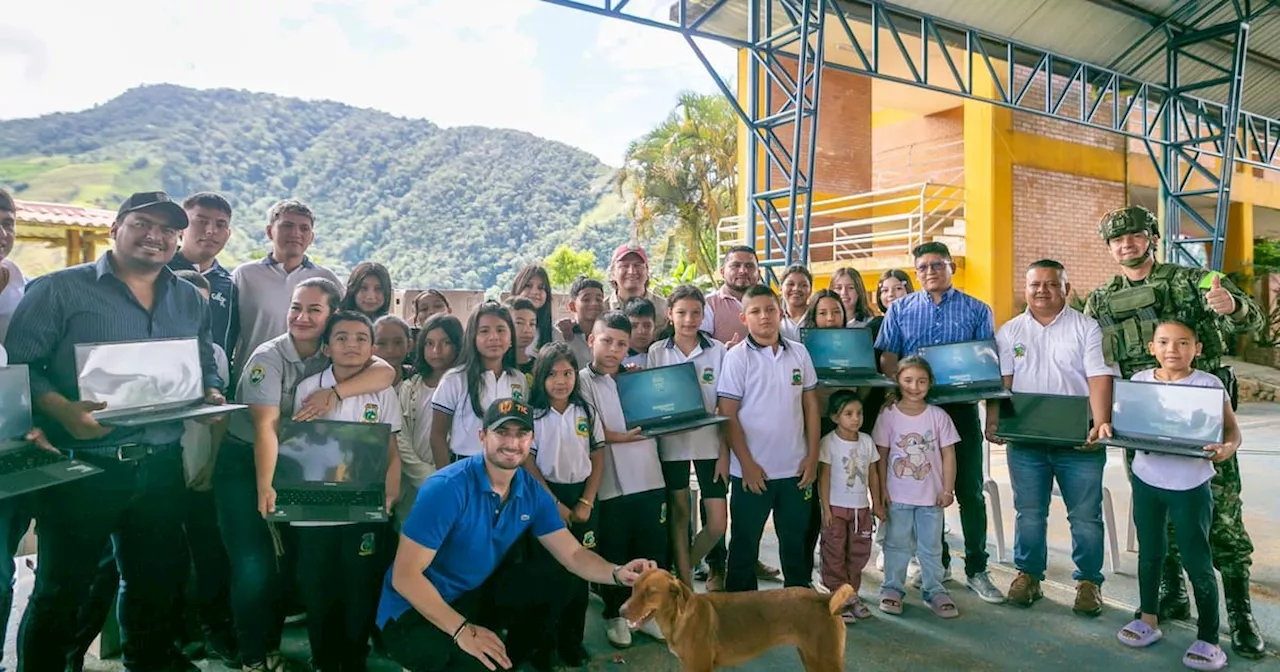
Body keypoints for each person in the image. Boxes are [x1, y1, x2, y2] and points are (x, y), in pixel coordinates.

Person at [7, 191, 224, 671]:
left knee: (154, 584)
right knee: (63, 591)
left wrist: (208, 391)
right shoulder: (60, 289)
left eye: (168, 230)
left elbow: (204, 358)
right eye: (143, 223)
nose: (156, 236)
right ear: (115, 229)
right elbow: (20, 366)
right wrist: (60, 409)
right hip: (82, 468)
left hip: (162, 464)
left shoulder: (188, 297)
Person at [1083, 205, 1264, 658]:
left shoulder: (1192, 280)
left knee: (1220, 520)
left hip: (1200, 419)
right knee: (1156, 518)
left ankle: (1239, 613)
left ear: (1152, 237)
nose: (1127, 244)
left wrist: (1234, 304)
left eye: (1136, 235)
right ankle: (1171, 593)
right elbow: (1093, 363)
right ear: (1109, 248)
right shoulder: (1099, 300)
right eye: (1117, 239)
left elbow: (1254, 320)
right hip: (1141, 423)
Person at [376, 398, 655, 672]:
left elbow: (573, 554)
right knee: (470, 660)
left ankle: (506, 656)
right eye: (501, 432)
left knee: (561, 578)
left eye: (521, 434)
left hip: (470, 595)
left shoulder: (531, 491)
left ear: (531, 439)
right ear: (482, 436)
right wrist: (462, 630)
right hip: (411, 609)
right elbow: (405, 576)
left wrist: (619, 573)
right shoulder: (446, 488)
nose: (512, 443)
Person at [221, 277, 396, 672]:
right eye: (296, 307)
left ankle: (324, 651)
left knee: (299, 567)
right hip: (248, 459)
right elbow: (265, 428)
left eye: (314, 310)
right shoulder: (269, 357)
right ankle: (254, 655)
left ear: (331, 316)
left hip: (304, 465)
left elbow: (384, 373)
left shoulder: (329, 352)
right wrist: (266, 485)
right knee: (255, 565)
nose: (301, 316)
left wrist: (336, 394)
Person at [1101, 320, 1240, 672]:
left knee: (1197, 560)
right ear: (1151, 348)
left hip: (1191, 486)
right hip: (1147, 481)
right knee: (1151, 554)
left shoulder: (1209, 384)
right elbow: (1125, 425)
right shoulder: (1139, 382)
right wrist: (1106, 426)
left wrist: (1226, 449)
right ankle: (1148, 620)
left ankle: (1209, 639)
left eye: (1182, 343)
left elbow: (1231, 432)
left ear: (1198, 349)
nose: (1172, 350)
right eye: (1163, 342)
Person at [874, 241, 1004, 604]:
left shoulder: (977, 309)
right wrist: (897, 394)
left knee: (967, 491)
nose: (930, 272)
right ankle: (939, 564)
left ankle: (978, 569)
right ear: (916, 273)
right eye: (923, 268)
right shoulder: (899, 309)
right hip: (912, 413)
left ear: (952, 268)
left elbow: (986, 360)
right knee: (922, 490)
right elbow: (888, 355)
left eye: (937, 265)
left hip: (959, 411)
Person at [987, 260, 1116, 615]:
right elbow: (1004, 383)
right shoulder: (1009, 332)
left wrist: (1100, 423)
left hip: (1079, 442)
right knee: (1029, 513)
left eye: (1051, 284)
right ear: (1025, 289)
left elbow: (1098, 378)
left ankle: (1089, 582)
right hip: (1026, 442)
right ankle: (1028, 576)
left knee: (1085, 516)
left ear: (1066, 289)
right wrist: (994, 421)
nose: (1042, 290)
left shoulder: (1087, 328)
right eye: (1035, 285)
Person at [291, 310, 403, 672]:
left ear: (372, 348)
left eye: (360, 338)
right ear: (326, 347)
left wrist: (390, 491)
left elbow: (390, 447)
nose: (351, 344)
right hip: (317, 508)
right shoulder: (309, 390)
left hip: (365, 504)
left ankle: (355, 658)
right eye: (341, 337)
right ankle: (324, 657)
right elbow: (301, 447)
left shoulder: (382, 391)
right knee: (318, 584)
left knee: (360, 584)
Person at [717, 284, 819, 593]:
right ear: (744, 317)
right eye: (756, 311)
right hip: (751, 473)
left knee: (795, 543)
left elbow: (811, 407)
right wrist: (746, 464)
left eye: (770, 310)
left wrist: (812, 457)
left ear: (780, 312)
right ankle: (739, 610)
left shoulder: (799, 353)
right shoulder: (737, 358)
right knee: (745, 544)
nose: (765, 317)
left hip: (795, 471)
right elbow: (728, 414)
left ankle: (799, 605)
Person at [578, 312, 669, 648]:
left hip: (649, 476)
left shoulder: (635, 378)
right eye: (606, 341)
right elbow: (591, 430)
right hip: (611, 484)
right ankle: (615, 616)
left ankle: (644, 616)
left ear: (629, 346)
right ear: (592, 341)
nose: (613, 349)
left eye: (621, 344)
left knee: (650, 548)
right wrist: (626, 437)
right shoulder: (581, 381)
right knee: (615, 550)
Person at [696, 247, 778, 587]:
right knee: (716, 494)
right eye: (735, 265)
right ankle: (716, 564)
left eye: (749, 265)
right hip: (718, 414)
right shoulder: (711, 305)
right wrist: (725, 354)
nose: (742, 271)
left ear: (758, 271)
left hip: (756, 417)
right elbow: (699, 344)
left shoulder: (767, 304)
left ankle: (747, 557)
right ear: (723, 269)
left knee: (750, 497)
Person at [520, 342, 604, 668]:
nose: (561, 381)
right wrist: (552, 503)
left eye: (567, 373)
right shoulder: (533, 416)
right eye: (552, 374)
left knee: (579, 573)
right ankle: (544, 646)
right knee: (546, 573)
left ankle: (573, 641)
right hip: (545, 498)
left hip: (581, 497)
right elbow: (528, 463)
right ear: (540, 377)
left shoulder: (586, 411)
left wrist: (586, 501)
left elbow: (598, 455)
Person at [647, 285, 728, 589]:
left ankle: (680, 570)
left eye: (695, 312)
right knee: (679, 517)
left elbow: (725, 403)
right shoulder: (657, 352)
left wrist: (724, 451)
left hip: (710, 443)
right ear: (669, 315)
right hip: (671, 444)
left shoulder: (718, 350)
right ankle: (684, 586)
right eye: (681, 312)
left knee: (718, 522)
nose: (688, 319)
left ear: (704, 315)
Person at [873, 356, 959, 619]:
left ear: (930, 383)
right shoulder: (888, 415)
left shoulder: (938, 417)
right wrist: (880, 492)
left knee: (931, 547)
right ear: (897, 381)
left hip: (931, 499)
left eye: (921, 381)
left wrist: (947, 489)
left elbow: (948, 456)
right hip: (897, 497)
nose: (914, 386)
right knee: (896, 545)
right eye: (908, 380)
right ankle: (892, 589)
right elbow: (881, 456)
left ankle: (935, 590)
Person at [231, 199, 341, 382]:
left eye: (304, 228)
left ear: (311, 237)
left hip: (313, 385)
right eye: (287, 226)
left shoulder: (326, 278)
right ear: (269, 232)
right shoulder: (245, 276)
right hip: (253, 380)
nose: (295, 234)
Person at [429, 302, 526, 467]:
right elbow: (437, 436)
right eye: (484, 331)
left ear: (511, 338)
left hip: (507, 468)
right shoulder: (455, 379)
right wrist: (448, 479)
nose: (493, 337)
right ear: (472, 337)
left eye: (501, 330)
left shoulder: (518, 379)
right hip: (465, 467)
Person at [818, 390, 882, 622]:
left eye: (859, 413)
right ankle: (837, 597)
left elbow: (873, 474)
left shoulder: (866, 441)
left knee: (858, 553)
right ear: (835, 417)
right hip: (836, 508)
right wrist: (825, 508)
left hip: (860, 509)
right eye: (848, 414)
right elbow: (823, 477)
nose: (856, 418)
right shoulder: (829, 443)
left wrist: (876, 502)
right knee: (834, 552)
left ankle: (851, 594)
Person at [396, 315, 463, 521]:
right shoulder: (411, 387)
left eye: (446, 343)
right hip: (414, 482)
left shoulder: (466, 386)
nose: (436, 351)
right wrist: (426, 475)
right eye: (429, 343)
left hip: (456, 480)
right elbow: (400, 437)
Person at [169, 192, 238, 355]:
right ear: (180, 229)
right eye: (201, 222)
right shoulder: (157, 271)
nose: (211, 230)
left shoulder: (229, 285)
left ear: (227, 234)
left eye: (220, 225)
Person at [604, 243, 668, 332]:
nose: (631, 271)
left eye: (637, 265)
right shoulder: (601, 309)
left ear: (647, 272)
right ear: (613, 273)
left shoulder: (665, 308)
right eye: (624, 266)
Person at [511, 265, 556, 355]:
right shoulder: (502, 330)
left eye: (541, 287)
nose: (535, 292)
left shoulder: (555, 335)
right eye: (528, 286)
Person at [373, 315, 414, 384]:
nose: (390, 350)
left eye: (398, 342)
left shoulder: (418, 379)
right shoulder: (359, 381)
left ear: (409, 345)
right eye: (381, 343)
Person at [778, 264, 813, 342]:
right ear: (780, 288)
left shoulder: (818, 317)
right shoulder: (774, 319)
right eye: (790, 284)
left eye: (803, 285)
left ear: (810, 290)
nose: (796, 289)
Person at [622, 296, 657, 368]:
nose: (641, 331)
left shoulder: (663, 353)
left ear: (654, 326)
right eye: (634, 326)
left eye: (647, 325)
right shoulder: (618, 356)